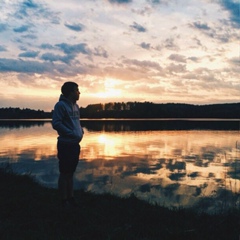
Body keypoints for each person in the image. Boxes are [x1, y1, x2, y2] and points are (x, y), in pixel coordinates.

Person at [52, 81, 84, 209]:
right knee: (64, 173)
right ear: (70, 92)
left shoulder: (76, 106)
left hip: (75, 145)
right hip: (65, 145)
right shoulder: (60, 106)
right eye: (77, 90)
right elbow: (56, 123)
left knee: (71, 173)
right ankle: (63, 200)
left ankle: (71, 197)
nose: (79, 92)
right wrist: (71, 133)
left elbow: (77, 122)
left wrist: (80, 131)